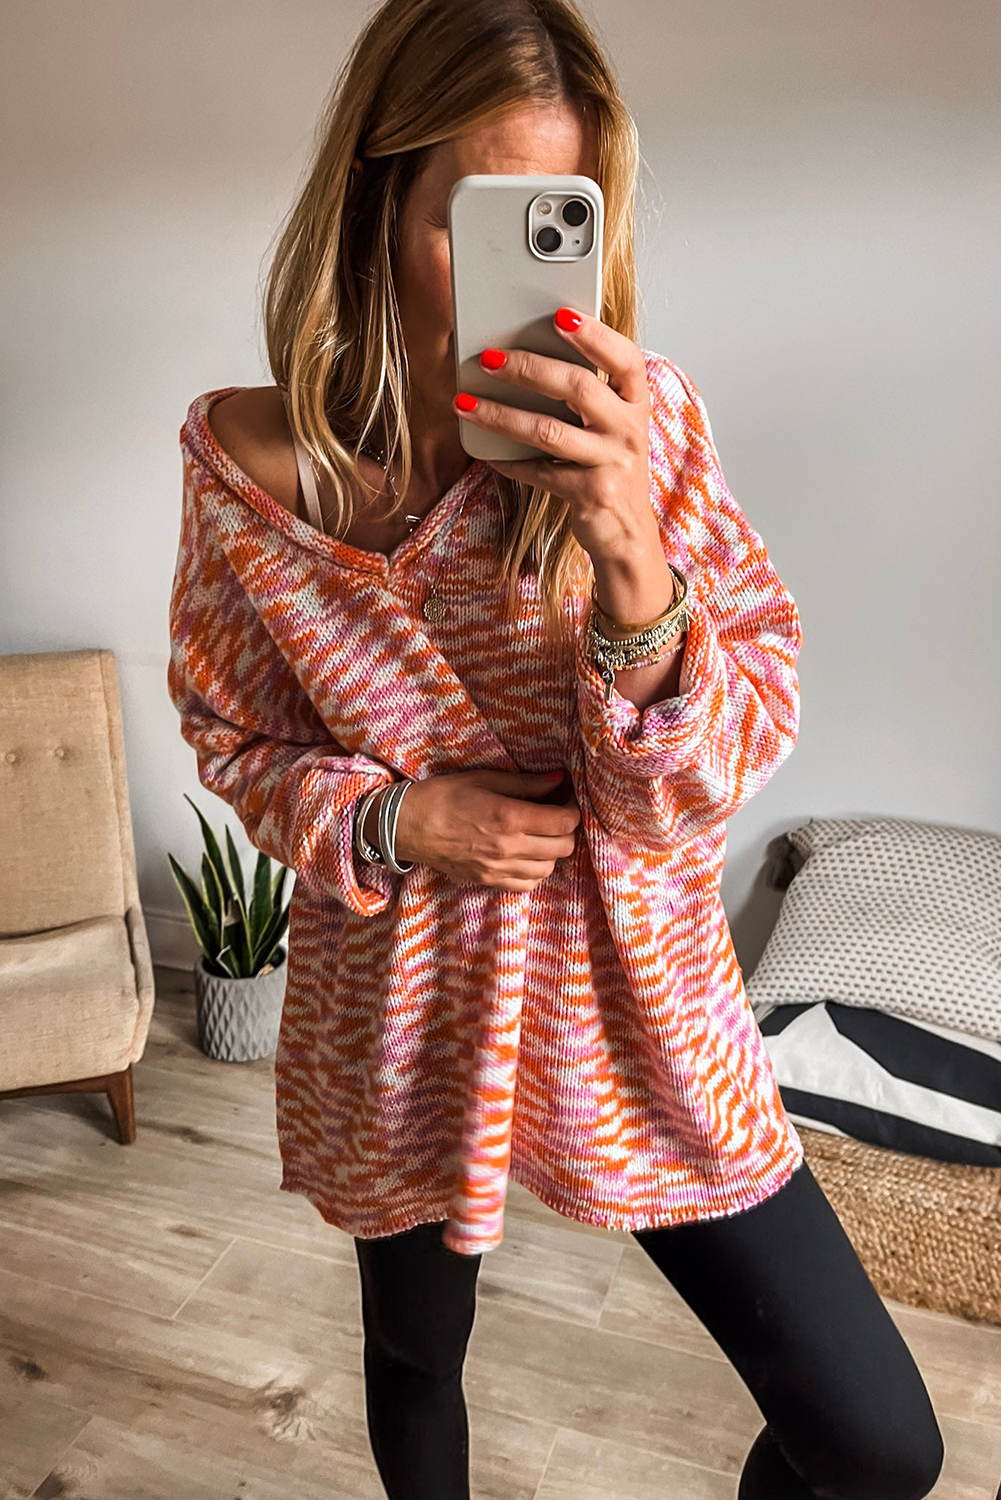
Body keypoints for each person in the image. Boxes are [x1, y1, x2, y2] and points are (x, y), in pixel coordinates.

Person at [167, 1, 945, 1495]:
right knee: (415, 1362)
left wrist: (633, 560)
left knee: (874, 1440)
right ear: (377, 201)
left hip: (633, 988)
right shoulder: (239, 469)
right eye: (477, 216)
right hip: (399, 1002)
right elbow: (231, 730)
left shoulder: (647, 427)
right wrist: (400, 822)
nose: (518, 269)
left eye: (557, 218)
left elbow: (721, 755)